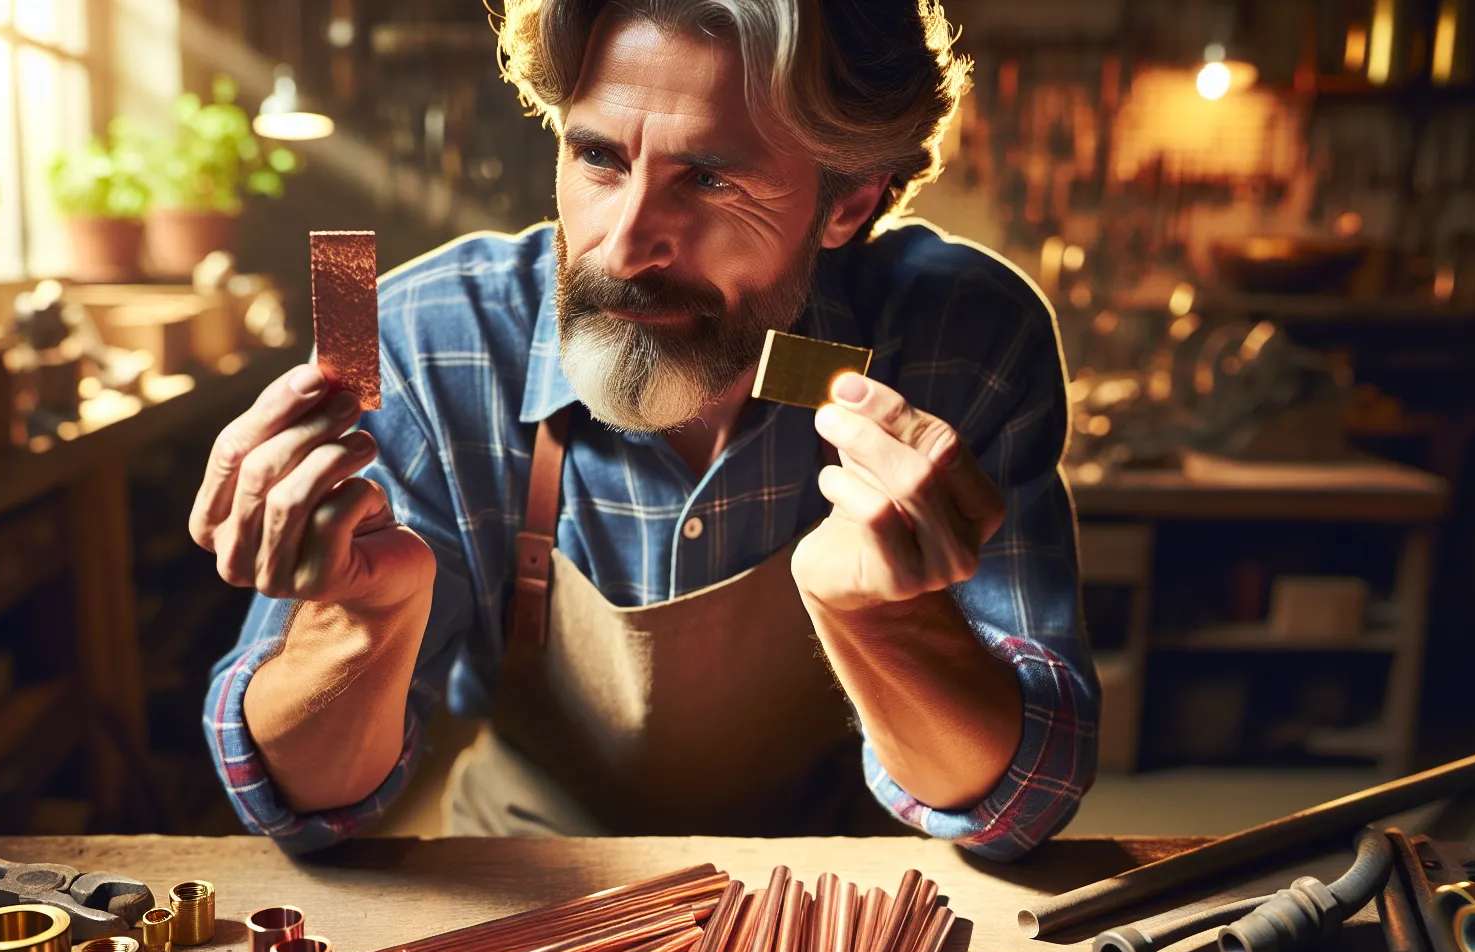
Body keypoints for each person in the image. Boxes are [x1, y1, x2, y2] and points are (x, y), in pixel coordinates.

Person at [195, 0, 1097, 859]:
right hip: (531, 892)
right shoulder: (418, 341)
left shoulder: (960, 336)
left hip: (833, 901)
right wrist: (356, 625)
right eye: (598, 158)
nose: (626, 248)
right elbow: (296, 809)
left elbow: (1022, 804)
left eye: (709, 178)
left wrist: (885, 620)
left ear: (849, 204)